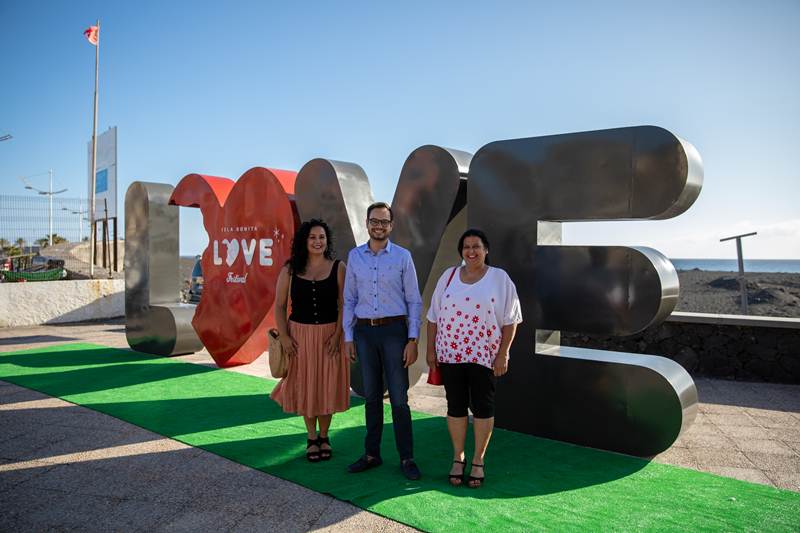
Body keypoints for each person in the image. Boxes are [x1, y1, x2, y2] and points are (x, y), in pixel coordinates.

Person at [425, 229, 521, 488]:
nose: (471, 251)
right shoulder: (449, 276)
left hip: (484, 357)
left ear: (486, 249)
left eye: (476, 246)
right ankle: (458, 457)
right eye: (466, 246)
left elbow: (511, 319)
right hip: (451, 355)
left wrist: (504, 353)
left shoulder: (499, 278)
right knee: (454, 406)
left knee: (483, 407)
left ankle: (478, 460)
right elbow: (433, 316)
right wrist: (431, 350)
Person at [343, 201, 423, 480]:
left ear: (392, 225)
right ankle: (371, 454)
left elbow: (414, 300)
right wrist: (348, 336)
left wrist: (413, 339)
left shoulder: (403, 257)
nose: (379, 226)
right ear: (367, 224)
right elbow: (349, 300)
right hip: (364, 333)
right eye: (374, 221)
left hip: (394, 333)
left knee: (399, 399)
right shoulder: (355, 257)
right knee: (372, 397)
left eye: (384, 222)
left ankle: (407, 457)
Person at [271, 219, 349, 462]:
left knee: (326, 386)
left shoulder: (339, 267)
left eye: (322, 237)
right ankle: (311, 437)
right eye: (313, 237)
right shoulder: (290, 269)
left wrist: (338, 335)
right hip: (299, 336)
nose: (318, 241)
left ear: (327, 241)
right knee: (306, 385)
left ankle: (324, 436)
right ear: (305, 241)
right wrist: (284, 336)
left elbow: (345, 304)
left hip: (330, 336)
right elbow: (280, 305)